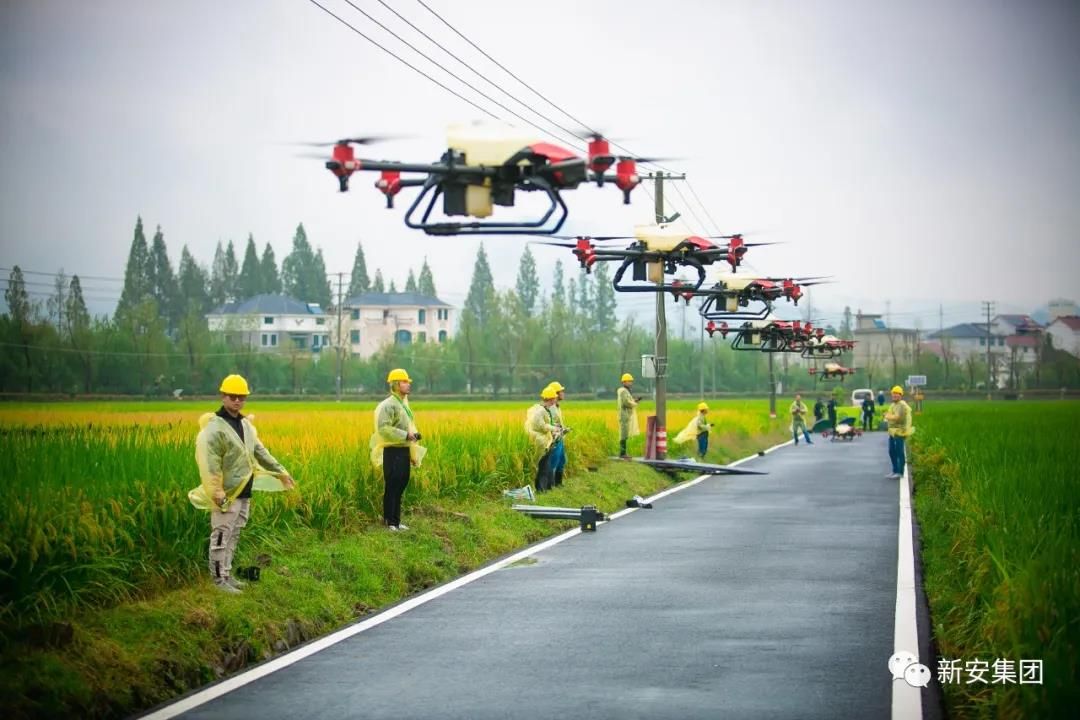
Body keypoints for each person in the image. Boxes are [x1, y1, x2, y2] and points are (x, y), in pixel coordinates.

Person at [189, 374, 295, 593]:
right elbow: (210, 464)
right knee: (221, 534)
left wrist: (281, 472)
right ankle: (218, 581)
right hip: (226, 493)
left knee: (234, 533)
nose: (237, 400)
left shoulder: (245, 425)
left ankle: (227, 575)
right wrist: (217, 492)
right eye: (232, 396)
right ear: (223, 396)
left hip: (244, 490)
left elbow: (259, 452)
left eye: (241, 397)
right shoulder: (215, 429)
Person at [370, 368, 425, 531]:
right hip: (392, 451)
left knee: (402, 483)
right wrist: (405, 435)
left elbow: (408, 426)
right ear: (395, 384)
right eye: (404, 382)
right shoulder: (388, 405)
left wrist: (412, 439)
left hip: (403, 450)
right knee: (392, 485)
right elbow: (383, 429)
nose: (408, 385)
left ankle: (396, 520)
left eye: (408, 382)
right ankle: (389, 522)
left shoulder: (403, 404)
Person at [525, 386, 561, 492]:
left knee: (545, 466)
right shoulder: (539, 411)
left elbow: (547, 424)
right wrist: (553, 428)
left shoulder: (545, 410)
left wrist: (555, 427)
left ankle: (544, 489)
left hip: (546, 442)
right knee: (542, 466)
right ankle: (541, 489)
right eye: (554, 397)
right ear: (550, 399)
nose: (555, 399)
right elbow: (541, 426)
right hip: (540, 442)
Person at [883, 385, 914, 479]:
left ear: (901, 395)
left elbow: (896, 417)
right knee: (892, 451)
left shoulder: (902, 405)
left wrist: (887, 416)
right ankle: (895, 470)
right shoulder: (893, 405)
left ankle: (900, 472)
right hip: (893, 432)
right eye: (893, 393)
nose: (895, 395)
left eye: (897, 394)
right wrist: (888, 416)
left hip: (900, 432)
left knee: (899, 452)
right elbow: (889, 416)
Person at [546, 381, 569, 487]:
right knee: (553, 461)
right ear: (555, 394)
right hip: (555, 439)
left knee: (561, 461)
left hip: (560, 437)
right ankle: (550, 485)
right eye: (561, 391)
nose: (563, 393)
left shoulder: (557, 407)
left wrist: (564, 430)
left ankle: (558, 483)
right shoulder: (551, 408)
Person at [616, 373, 640, 458]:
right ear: (624, 382)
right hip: (624, 415)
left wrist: (634, 400)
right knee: (623, 434)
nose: (631, 383)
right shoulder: (623, 391)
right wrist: (634, 403)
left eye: (631, 381)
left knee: (625, 434)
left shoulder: (625, 391)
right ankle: (622, 454)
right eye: (629, 381)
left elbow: (628, 400)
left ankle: (623, 453)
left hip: (626, 415)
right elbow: (626, 402)